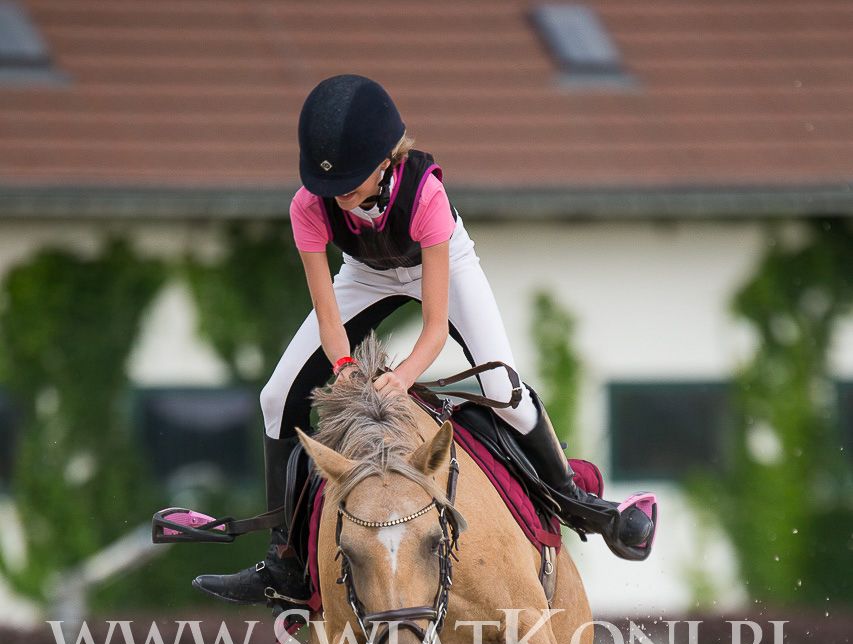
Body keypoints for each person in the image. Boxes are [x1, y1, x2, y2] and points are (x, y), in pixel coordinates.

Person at [194, 74, 654, 609]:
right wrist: (343, 366)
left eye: (350, 179)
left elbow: (434, 328)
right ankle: (285, 562)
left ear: (386, 159)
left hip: (442, 266)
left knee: (502, 390)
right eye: (329, 183)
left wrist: (402, 377)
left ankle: (577, 503)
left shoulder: (426, 195)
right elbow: (327, 315)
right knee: (276, 396)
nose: (338, 194)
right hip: (364, 274)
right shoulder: (308, 206)